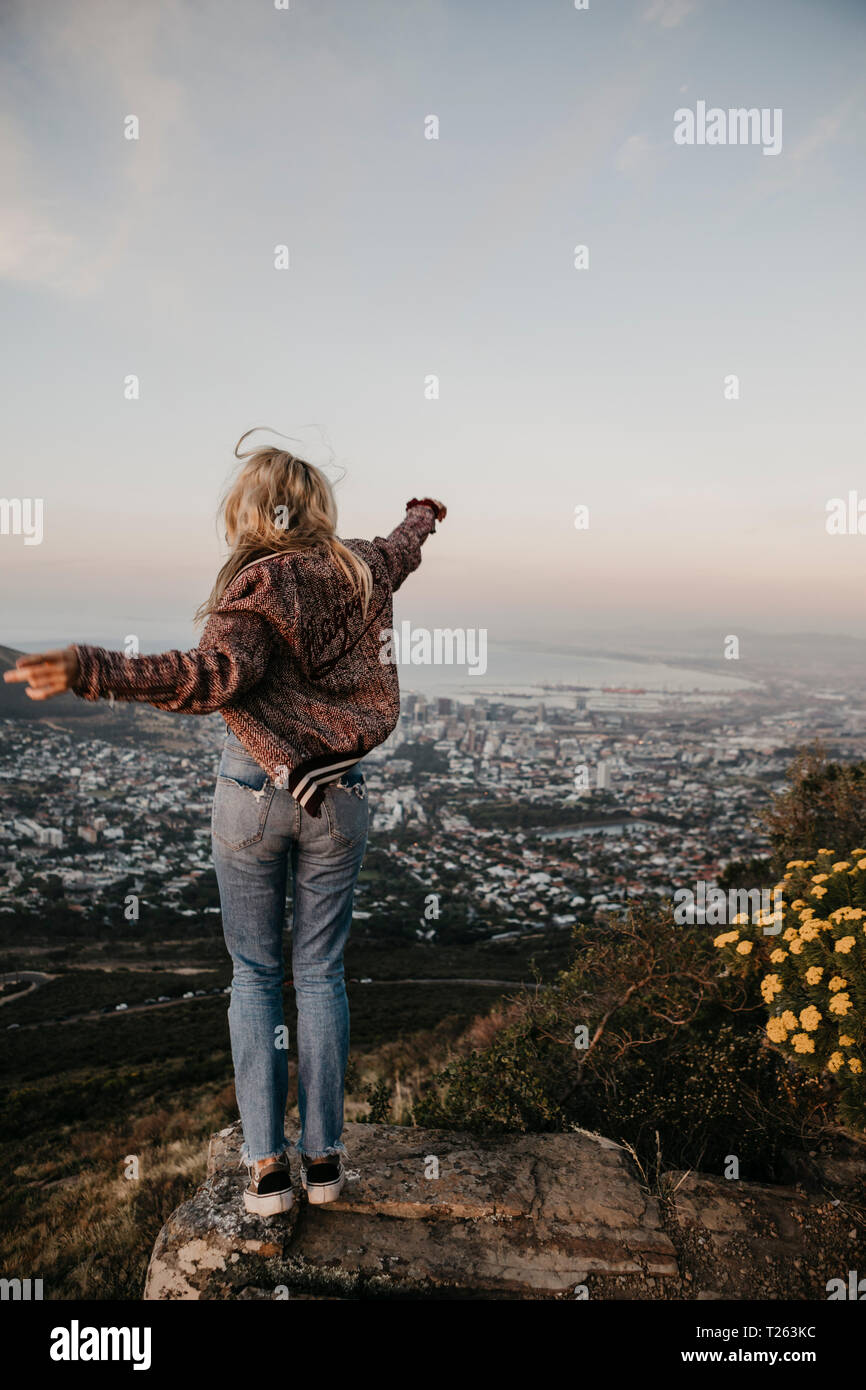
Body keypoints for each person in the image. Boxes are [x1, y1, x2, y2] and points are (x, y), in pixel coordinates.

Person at [4, 430, 446, 1216]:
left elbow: (211, 677)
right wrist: (422, 514)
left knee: (254, 973)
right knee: (320, 974)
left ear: (253, 510)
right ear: (317, 506)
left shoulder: (265, 581)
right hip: (339, 798)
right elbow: (402, 548)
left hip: (252, 793)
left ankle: (267, 1167)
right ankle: (325, 1162)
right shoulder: (363, 567)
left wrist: (92, 669)